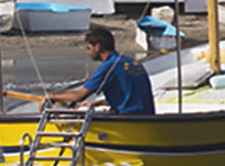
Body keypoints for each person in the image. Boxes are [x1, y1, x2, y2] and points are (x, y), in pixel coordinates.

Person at [8, 27, 154, 115]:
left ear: (97, 47)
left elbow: (79, 96)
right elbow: (129, 95)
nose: (87, 52)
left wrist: (50, 96)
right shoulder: (130, 62)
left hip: (129, 120)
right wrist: (98, 103)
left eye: (88, 48)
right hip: (147, 117)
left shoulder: (109, 66)